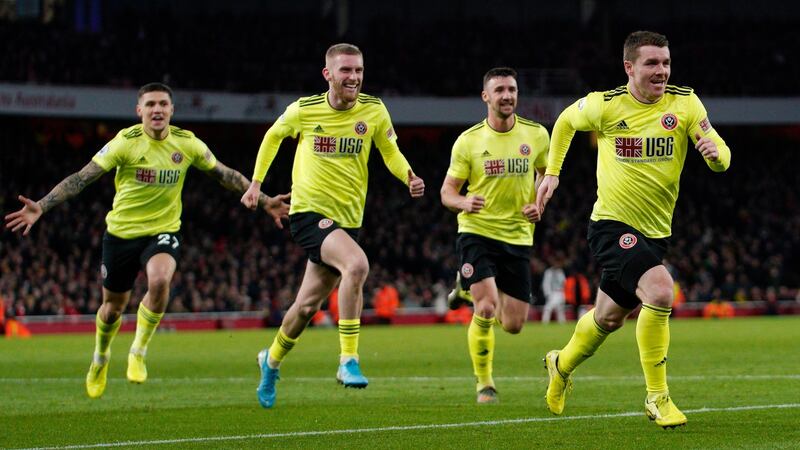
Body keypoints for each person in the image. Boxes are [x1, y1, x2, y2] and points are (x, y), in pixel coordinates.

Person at [4, 82, 290, 398]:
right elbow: (82, 178)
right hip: (121, 234)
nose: (157, 110)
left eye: (163, 104)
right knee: (111, 309)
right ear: (139, 110)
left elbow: (226, 175)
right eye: (151, 104)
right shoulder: (124, 143)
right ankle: (100, 357)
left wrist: (264, 201)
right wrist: (42, 206)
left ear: (171, 110)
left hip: (163, 229)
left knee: (160, 280)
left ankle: (138, 350)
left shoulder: (187, 143)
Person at [536, 31, 731, 428]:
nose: (662, 72)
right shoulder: (605, 106)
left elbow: (721, 152)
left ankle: (560, 364)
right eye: (652, 64)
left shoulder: (685, 103)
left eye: (666, 63)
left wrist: (716, 158)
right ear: (629, 68)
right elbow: (564, 122)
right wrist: (552, 173)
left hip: (656, 233)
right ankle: (657, 398)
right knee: (660, 289)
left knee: (608, 318)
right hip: (610, 225)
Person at [241, 43, 425, 409]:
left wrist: (408, 175)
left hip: (348, 219)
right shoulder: (305, 110)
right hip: (308, 213)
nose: (353, 77)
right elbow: (272, 137)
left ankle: (271, 361)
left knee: (306, 306)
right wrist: (256, 184)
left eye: (358, 70)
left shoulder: (373, 110)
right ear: (328, 74)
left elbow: (389, 151)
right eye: (345, 71)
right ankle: (348, 360)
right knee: (357, 264)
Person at [440, 67, 549, 403]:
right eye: (499, 90)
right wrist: (463, 201)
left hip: (517, 236)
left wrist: (540, 204)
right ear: (486, 97)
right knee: (486, 309)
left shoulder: (537, 135)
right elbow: (447, 192)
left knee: (513, 324)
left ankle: (465, 290)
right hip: (478, 231)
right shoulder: (469, 141)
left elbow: (547, 175)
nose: (507, 96)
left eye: (512, 89)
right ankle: (484, 384)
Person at [541, 257, 567, 324]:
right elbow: (545, 284)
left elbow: (564, 283)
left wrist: (564, 294)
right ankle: (545, 322)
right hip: (552, 293)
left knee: (560, 310)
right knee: (548, 308)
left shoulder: (560, 272)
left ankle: (562, 323)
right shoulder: (549, 272)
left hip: (560, 293)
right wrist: (548, 294)